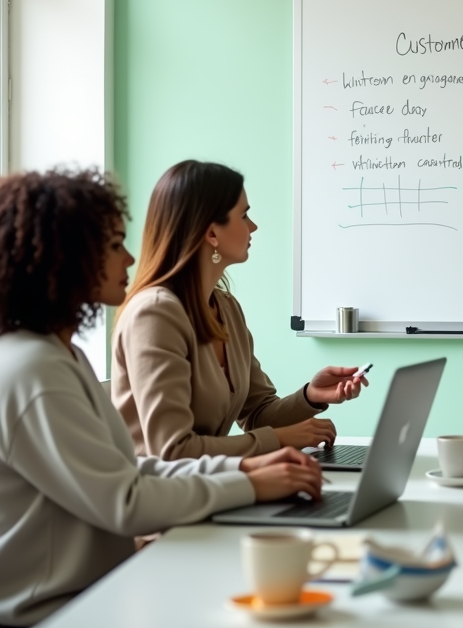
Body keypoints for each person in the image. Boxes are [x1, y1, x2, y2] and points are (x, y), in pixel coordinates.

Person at [0, 169, 324, 627]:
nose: (129, 256)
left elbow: (130, 469)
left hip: (99, 585)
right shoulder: (35, 371)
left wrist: (246, 468)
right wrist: (250, 480)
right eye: (113, 245)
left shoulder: (59, 354)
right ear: (65, 258)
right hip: (58, 609)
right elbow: (128, 499)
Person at [111, 160, 368, 460]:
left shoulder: (226, 308)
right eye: (244, 215)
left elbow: (257, 414)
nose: (253, 226)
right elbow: (173, 451)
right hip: (163, 498)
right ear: (211, 234)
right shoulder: (154, 315)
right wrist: (278, 440)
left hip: (210, 487)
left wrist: (311, 395)